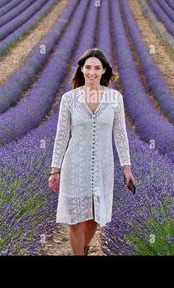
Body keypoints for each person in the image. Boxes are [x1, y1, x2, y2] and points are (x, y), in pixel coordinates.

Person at [48, 48, 135, 256]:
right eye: (88, 67)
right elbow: (61, 136)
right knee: (75, 219)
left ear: (104, 70)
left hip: (102, 167)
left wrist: (127, 168)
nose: (92, 72)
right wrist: (54, 170)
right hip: (74, 165)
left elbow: (120, 135)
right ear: (82, 69)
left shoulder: (115, 98)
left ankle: (84, 249)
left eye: (97, 68)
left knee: (94, 218)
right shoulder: (69, 99)